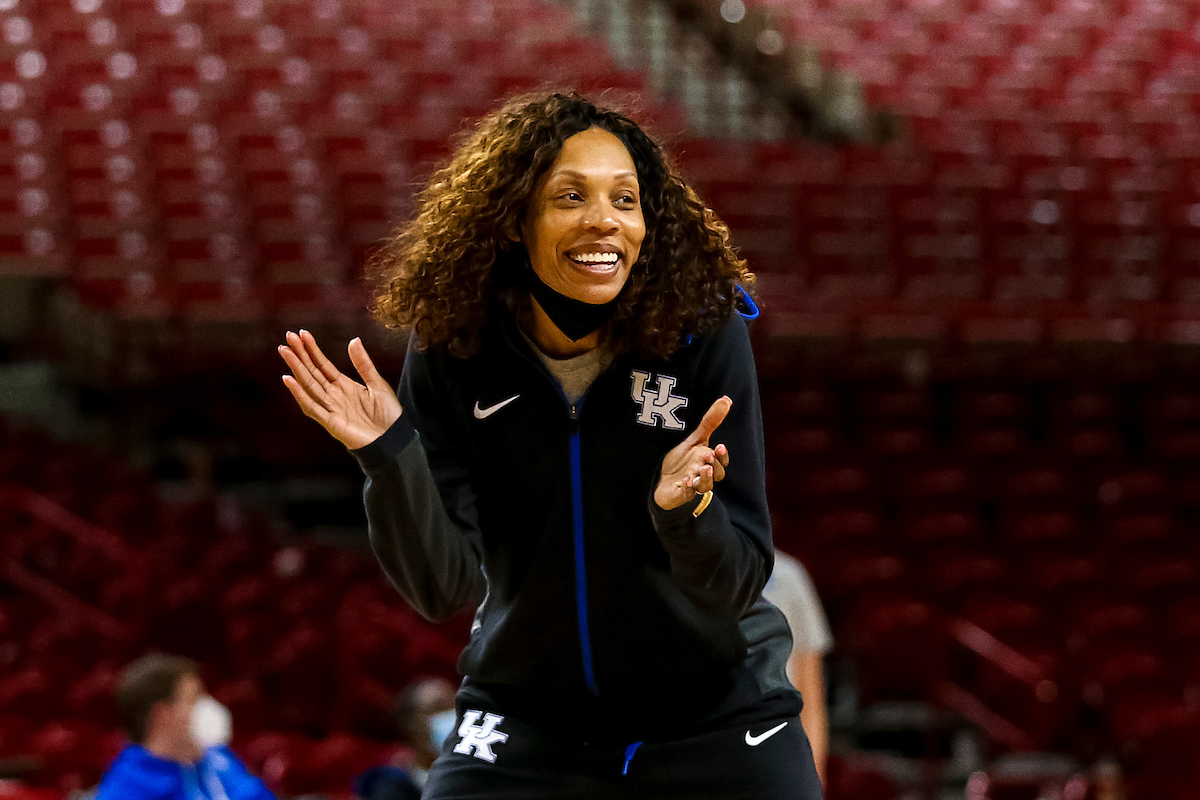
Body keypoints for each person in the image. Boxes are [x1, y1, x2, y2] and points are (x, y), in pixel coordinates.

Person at [279, 91, 823, 800]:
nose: (604, 219)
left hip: (715, 713)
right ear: (514, 220)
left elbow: (738, 578)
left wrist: (685, 513)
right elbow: (443, 588)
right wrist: (389, 453)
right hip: (527, 715)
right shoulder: (455, 345)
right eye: (571, 196)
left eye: (625, 199)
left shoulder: (703, 330)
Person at [95, 653, 274, 800]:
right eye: (193, 698)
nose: (207, 707)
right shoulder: (128, 789)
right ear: (162, 714)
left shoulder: (220, 762)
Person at [762, 548, 834, 785]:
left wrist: (814, 777)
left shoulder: (788, 575)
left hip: (776, 741)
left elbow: (811, 696)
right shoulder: (675, 570)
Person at [353, 676, 458, 800]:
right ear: (411, 726)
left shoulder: (472, 777)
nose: (453, 715)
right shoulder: (389, 790)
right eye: (439, 708)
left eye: (455, 706)